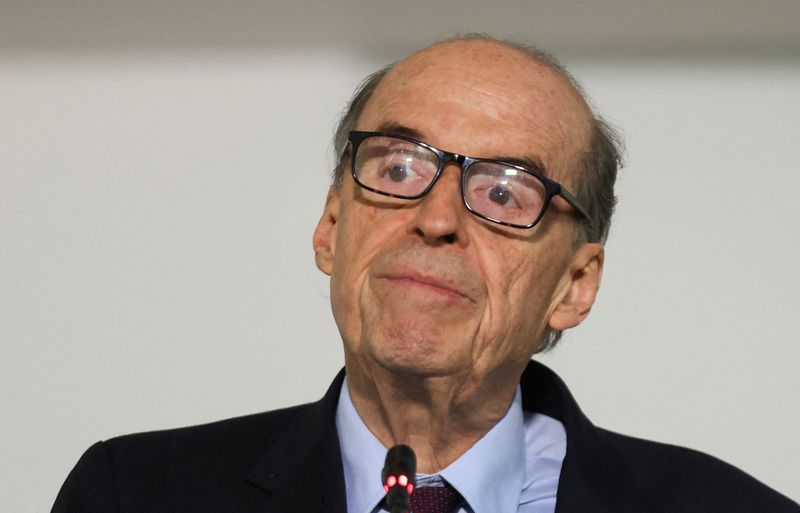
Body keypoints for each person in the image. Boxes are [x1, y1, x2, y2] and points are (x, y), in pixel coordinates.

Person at [52, 35, 798, 513]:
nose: (437, 216)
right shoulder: (135, 493)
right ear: (332, 227)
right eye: (398, 167)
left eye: (504, 191)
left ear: (574, 285)